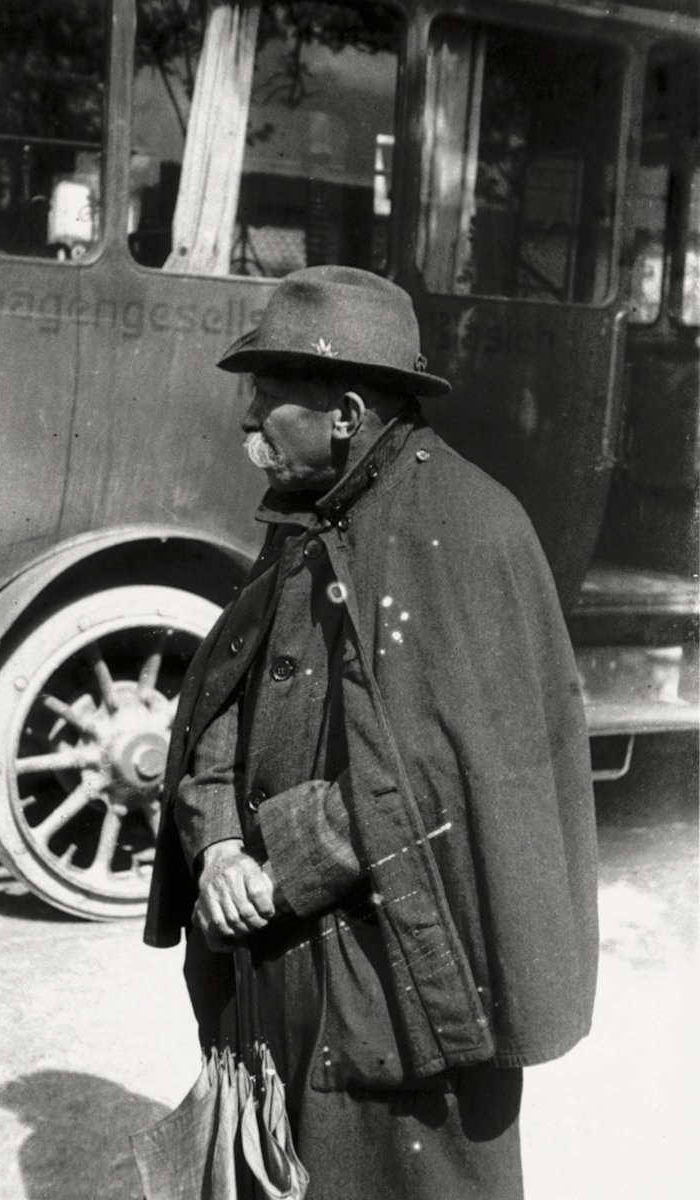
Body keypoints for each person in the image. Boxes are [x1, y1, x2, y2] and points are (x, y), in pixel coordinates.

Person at [144, 266, 598, 1199]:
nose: (247, 423)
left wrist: (279, 867)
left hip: (401, 993)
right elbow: (224, 696)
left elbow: (449, 781)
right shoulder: (314, 517)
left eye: (269, 399)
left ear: (347, 412)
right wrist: (222, 844)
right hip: (287, 963)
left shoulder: (466, 532)